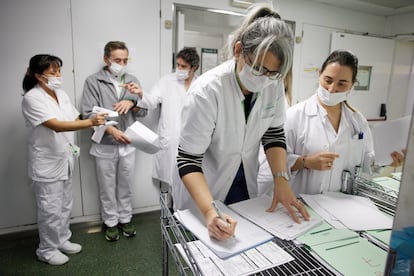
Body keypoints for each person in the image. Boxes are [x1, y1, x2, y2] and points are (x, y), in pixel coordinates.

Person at [172, 4, 310, 241]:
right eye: (258, 68)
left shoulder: (272, 85)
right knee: (208, 250)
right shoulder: (207, 91)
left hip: (244, 180)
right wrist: (208, 211)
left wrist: (281, 179)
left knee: (243, 244)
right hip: (206, 185)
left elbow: (273, 134)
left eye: (272, 73)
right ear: (238, 50)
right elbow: (188, 160)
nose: (264, 78)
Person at [21, 54, 106, 265]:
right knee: (50, 208)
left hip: (65, 158)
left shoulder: (60, 93)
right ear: (39, 76)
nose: (58, 75)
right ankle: (47, 249)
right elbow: (56, 125)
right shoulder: (32, 98)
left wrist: (98, 120)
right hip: (46, 164)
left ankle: (62, 239)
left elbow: (75, 118)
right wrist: (90, 123)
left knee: (65, 204)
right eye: (52, 72)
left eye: (59, 71)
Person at [284, 50, 406, 196]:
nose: (332, 89)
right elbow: (273, 162)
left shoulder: (357, 120)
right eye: (328, 80)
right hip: (303, 201)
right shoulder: (294, 115)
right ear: (319, 74)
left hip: (342, 204)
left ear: (352, 85)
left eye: (342, 84)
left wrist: (386, 160)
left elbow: (367, 163)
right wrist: (305, 162)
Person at [81, 41, 147, 241]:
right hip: (105, 145)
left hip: (128, 143)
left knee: (125, 185)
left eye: (125, 60)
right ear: (106, 59)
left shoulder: (132, 80)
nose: (122, 63)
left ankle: (125, 219)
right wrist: (111, 130)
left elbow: (143, 111)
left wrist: (133, 101)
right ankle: (110, 222)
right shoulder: (94, 81)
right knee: (107, 187)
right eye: (117, 60)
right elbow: (86, 113)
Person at [125, 47, 199, 205]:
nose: (179, 69)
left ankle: (185, 214)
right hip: (170, 137)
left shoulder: (201, 84)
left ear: (194, 68)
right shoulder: (167, 81)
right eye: (177, 65)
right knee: (169, 179)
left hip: (192, 138)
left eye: (183, 66)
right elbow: (151, 101)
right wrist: (140, 93)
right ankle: (170, 214)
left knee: (189, 177)